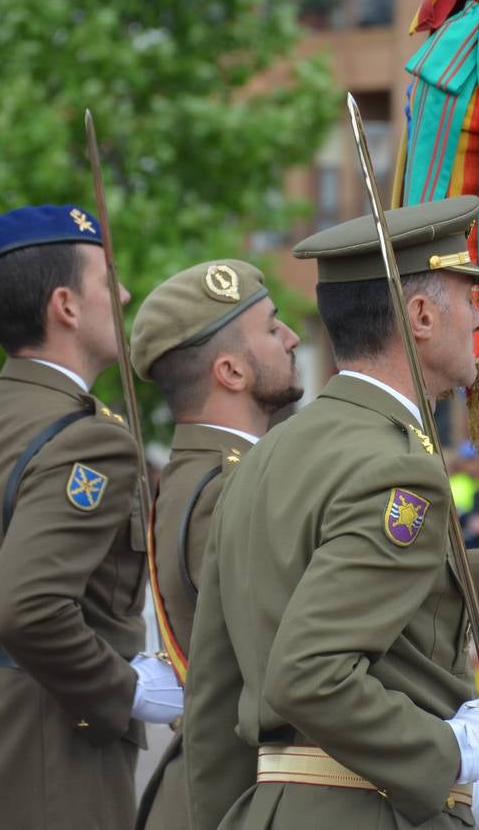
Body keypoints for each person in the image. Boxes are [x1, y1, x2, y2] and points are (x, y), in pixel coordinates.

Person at [184, 197, 479, 830]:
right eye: (468, 295)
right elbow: (308, 674)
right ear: (418, 315)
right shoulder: (398, 465)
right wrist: (454, 753)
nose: (478, 314)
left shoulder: (264, 456)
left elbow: (214, 698)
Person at [0, 205, 183, 830]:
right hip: (48, 758)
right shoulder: (91, 439)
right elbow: (24, 608)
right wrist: (126, 690)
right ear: (67, 306)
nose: (127, 294)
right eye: (109, 280)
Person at [128, 259, 303, 830]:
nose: (292, 338)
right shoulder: (226, 489)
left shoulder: (210, 474)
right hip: (239, 795)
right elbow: (304, 649)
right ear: (231, 371)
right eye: (274, 329)